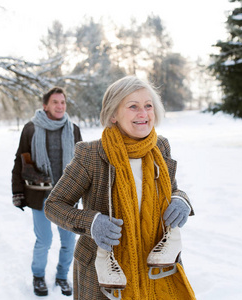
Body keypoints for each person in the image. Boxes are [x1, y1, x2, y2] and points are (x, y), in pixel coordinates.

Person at [44, 76, 196, 299]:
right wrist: (92, 223)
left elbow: (171, 190)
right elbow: (53, 205)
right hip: (105, 272)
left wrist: (182, 200)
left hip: (154, 265)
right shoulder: (91, 155)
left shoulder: (159, 147)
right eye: (133, 106)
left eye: (148, 106)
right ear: (113, 114)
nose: (143, 114)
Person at [11, 87, 82, 297]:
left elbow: (81, 164)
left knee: (69, 242)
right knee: (44, 240)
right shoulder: (30, 129)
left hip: (67, 196)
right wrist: (18, 192)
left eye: (63, 102)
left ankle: (62, 276)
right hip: (39, 194)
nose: (60, 106)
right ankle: (38, 276)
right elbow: (19, 160)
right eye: (55, 102)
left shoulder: (73, 129)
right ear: (45, 106)